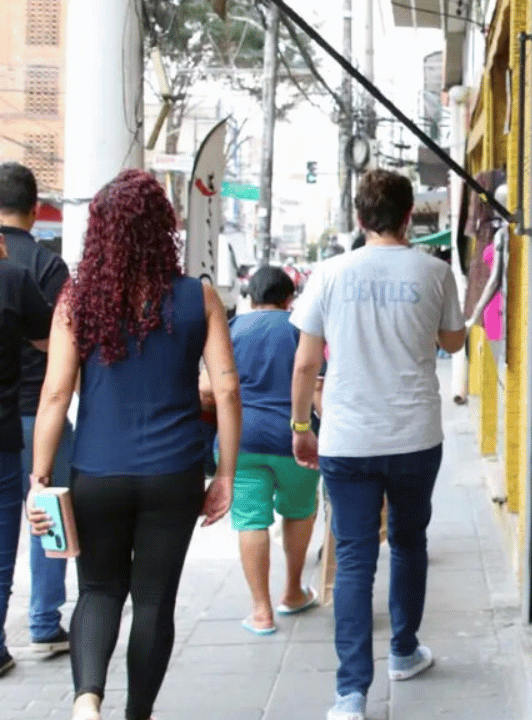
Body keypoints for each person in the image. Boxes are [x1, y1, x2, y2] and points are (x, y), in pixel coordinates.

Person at [26, 169, 242, 720]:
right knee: (153, 602)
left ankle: (86, 701)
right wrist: (225, 474)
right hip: (173, 474)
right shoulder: (200, 297)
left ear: (98, 232)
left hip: (97, 469)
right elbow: (227, 388)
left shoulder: (76, 301)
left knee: (97, 590)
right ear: (161, 230)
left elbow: (54, 394)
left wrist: (40, 478)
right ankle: (136, 716)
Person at [289, 169, 466, 720]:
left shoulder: (330, 273)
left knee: (355, 558)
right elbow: (453, 340)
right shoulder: (434, 271)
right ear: (409, 215)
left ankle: (350, 695)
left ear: (360, 218)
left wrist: (300, 428)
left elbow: (305, 361)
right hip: (415, 435)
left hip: (347, 438)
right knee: (410, 542)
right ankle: (404, 651)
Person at [204, 266, 321, 635]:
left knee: (251, 519)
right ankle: (292, 593)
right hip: (295, 438)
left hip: (242, 440)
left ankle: (261, 611)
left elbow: (210, 389)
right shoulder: (303, 329)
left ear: (251, 296)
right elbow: (317, 386)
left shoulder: (232, 329)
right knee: (300, 512)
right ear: (290, 297)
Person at [0, 162, 72, 657]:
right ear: (34, 206)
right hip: (40, 413)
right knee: (49, 512)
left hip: (9, 419)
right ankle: (45, 621)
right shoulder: (48, 265)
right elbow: (63, 347)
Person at [0, 233, 53, 678]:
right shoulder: (15, 277)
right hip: (12, 425)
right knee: (6, 545)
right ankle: (28, 631)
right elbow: (50, 341)